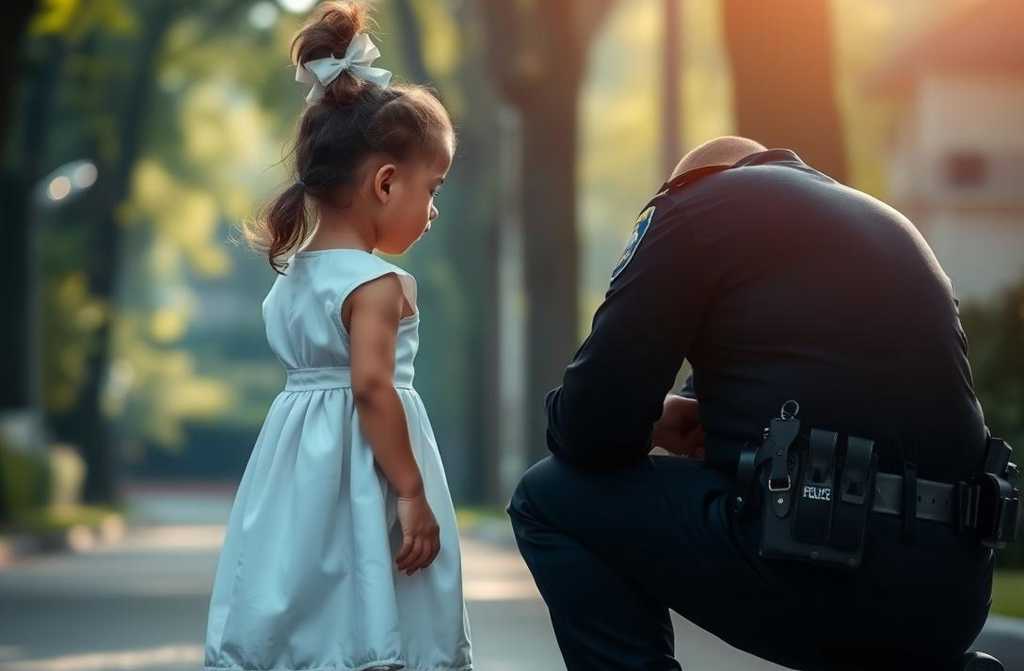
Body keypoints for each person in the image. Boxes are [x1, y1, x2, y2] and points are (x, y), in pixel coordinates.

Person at [507, 136, 1001, 670]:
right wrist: (689, 411)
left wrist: (645, 421)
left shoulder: (692, 207)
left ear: (686, 183)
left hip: (819, 559)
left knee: (549, 496)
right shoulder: (889, 227)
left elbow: (591, 427)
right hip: (954, 594)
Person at [203, 3, 472, 670]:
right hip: (369, 470)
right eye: (432, 189)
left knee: (303, 589)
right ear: (386, 182)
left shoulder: (294, 277)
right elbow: (372, 388)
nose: (434, 211)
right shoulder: (375, 284)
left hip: (295, 471)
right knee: (376, 580)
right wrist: (410, 492)